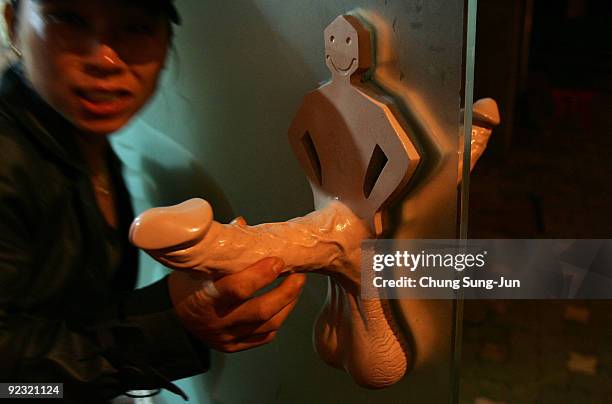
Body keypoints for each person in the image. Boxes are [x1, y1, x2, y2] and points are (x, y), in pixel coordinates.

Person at [0, 0, 306, 402]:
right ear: (13, 22)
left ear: (166, 42)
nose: (105, 59)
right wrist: (167, 325)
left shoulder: (75, 131)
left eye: (136, 28)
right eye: (68, 19)